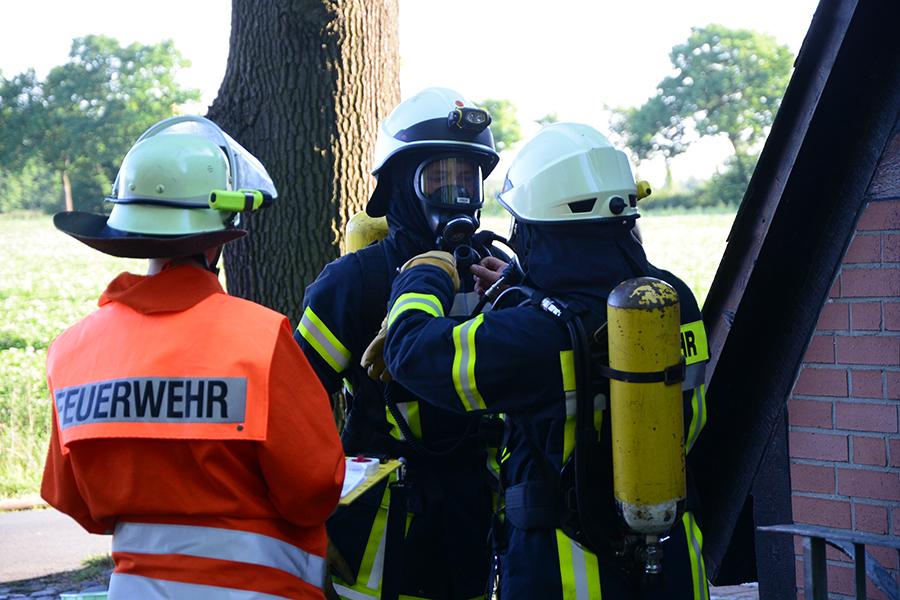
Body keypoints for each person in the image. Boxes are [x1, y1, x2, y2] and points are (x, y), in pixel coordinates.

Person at [373, 122, 711, 599]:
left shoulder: (535, 335)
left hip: (566, 565)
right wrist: (521, 287)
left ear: (536, 227)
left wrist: (422, 277)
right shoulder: (672, 298)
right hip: (674, 559)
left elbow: (412, 350)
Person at [41, 115, 346, 600]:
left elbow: (71, 499)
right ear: (219, 235)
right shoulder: (261, 338)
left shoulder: (71, 350)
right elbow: (313, 489)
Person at [295, 87, 507, 600]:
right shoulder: (355, 282)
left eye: (468, 179)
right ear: (399, 185)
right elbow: (294, 405)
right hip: (381, 534)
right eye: (439, 179)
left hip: (477, 523)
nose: (458, 195)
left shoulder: (501, 276)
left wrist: (515, 296)